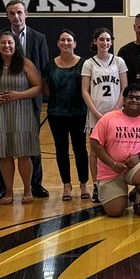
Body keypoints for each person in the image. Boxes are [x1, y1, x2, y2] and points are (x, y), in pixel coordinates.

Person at [0, 1, 49, 200]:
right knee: (3, 147)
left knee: (30, 146)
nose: (16, 16)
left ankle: (35, 185)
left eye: (19, 12)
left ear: (26, 14)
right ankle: (3, 187)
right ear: (7, 16)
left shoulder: (38, 38)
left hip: (28, 102)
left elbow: (43, 69)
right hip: (2, 105)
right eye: (12, 13)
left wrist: (38, 98)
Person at [0, 33, 44, 204]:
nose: (6, 45)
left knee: (23, 154)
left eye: (10, 42)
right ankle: (8, 191)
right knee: (5, 154)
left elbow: (39, 87)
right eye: (3, 43)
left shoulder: (25, 64)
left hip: (21, 111)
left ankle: (27, 190)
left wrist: (19, 95)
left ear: (16, 45)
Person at [90, 84, 140, 217]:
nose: (134, 100)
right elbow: (96, 144)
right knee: (115, 211)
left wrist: (139, 156)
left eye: (138, 98)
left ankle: (139, 201)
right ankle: (119, 192)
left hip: (134, 167)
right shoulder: (108, 118)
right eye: (130, 97)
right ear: (124, 100)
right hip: (111, 170)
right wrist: (113, 164)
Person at [82, 27, 128, 201]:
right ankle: (96, 185)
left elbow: (124, 87)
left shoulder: (119, 61)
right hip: (96, 114)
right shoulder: (89, 63)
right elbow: (85, 90)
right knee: (95, 151)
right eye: (101, 39)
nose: (105, 43)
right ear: (95, 41)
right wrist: (95, 112)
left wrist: (117, 108)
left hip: (116, 113)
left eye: (108, 40)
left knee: (115, 150)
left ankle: (116, 183)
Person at [43, 29, 89, 201]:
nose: (66, 43)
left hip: (79, 113)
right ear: (58, 43)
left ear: (75, 44)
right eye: (62, 40)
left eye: (69, 40)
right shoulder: (50, 65)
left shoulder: (84, 64)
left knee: (80, 150)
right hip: (56, 113)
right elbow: (46, 88)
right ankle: (66, 185)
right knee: (61, 150)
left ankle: (84, 183)